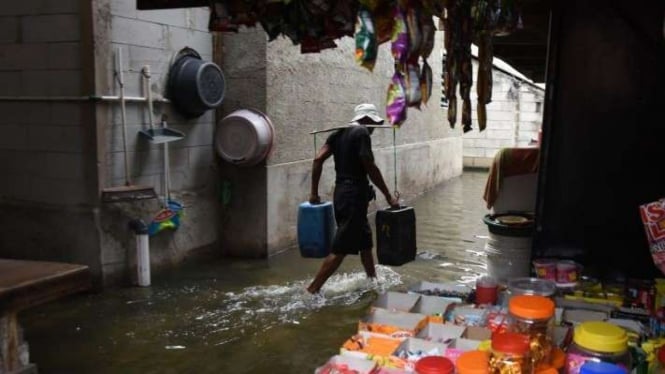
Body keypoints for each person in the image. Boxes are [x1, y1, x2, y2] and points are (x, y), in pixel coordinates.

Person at [307, 103, 399, 295]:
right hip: (354, 196)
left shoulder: (338, 134)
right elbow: (370, 167)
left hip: (341, 193)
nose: (373, 128)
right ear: (365, 120)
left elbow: (317, 160)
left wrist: (314, 193)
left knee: (365, 240)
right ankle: (313, 290)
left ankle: (372, 280)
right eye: (372, 123)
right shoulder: (362, 133)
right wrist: (389, 195)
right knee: (341, 246)